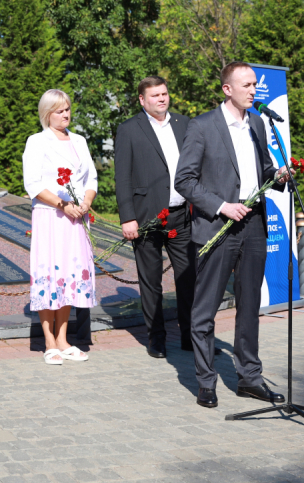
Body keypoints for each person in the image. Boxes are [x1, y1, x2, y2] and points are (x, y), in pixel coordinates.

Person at [175, 62, 288, 409]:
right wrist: (222, 206)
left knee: (250, 304)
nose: (254, 90)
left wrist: (279, 174)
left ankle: (250, 379)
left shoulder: (256, 122)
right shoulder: (203, 126)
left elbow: (263, 170)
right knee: (204, 310)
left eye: (255, 84)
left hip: (253, 223)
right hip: (218, 226)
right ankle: (206, 382)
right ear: (227, 89)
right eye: (246, 85)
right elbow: (185, 180)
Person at [114, 76, 194, 359]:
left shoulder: (184, 124)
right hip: (146, 216)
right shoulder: (129, 130)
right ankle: (156, 338)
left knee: (188, 277)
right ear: (142, 100)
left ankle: (190, 337)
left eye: (164, 93)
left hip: (182, 215)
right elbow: (122, 176)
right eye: (155, 95)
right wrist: (127, 217)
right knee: (151, 281)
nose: (162, 98)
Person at [22, 89, 98, 365]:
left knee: (69, 273)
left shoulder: (79, 140)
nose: (65, 114)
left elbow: (91, 178)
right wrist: (62, 204)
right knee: (49, 271)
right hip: (50, 215)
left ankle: (64, 337)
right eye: (59, 110)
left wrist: (85, 201)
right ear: (47, 113)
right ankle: (49, 340)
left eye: (67, 109)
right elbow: (32, 183)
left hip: (76, 218)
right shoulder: (37, 141)